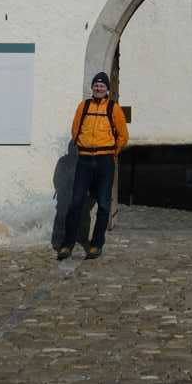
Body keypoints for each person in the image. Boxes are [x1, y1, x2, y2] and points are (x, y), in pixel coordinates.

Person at [57, 72, 129, 260]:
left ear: (107, 88)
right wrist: (81, 143)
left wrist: (113, 152)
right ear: (92, 87)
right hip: (85, 160)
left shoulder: (114, 109)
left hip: (105, 161)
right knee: (75, 202)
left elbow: (123, 136)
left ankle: (96, 244)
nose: (99, 88)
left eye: (102, 85)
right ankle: (67, 244)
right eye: (96, 85)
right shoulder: (84, 106)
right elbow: (75, 129)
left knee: (104, 204)